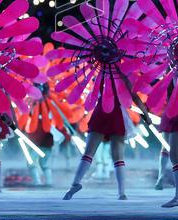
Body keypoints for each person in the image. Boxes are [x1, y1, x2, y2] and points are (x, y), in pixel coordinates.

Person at [64, 72, 152, 201]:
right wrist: (146, 115)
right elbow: (134, 97)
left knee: (90, 153)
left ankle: (75, 184)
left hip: (103, 112)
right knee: (116, 155)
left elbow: (91, 95)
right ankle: (121, 193)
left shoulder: (99, 73)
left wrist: (145, 114)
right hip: (114, 113)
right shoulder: (119, 75)